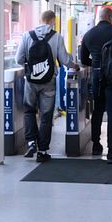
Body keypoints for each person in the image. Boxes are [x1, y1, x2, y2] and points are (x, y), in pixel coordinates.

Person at [16, 10, 74, 162]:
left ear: (40, 20)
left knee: (29, 111)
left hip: (31, 81)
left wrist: (31, 67)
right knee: (46, 117)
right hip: (48, 82)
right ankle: (42, 151)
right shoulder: (57, 37)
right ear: (52, 20)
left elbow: (18, 59)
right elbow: (64, 60)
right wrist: (74, 65)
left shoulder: (27, 35)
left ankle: (30, 142)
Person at [79, 6, 112, 163]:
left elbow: (83, 60)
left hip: (97, 77)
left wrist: (97, 63)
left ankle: (96, 145)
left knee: (97, 111)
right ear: (111, 18)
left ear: (99, 18)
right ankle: (111, 151)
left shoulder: (89, 35)